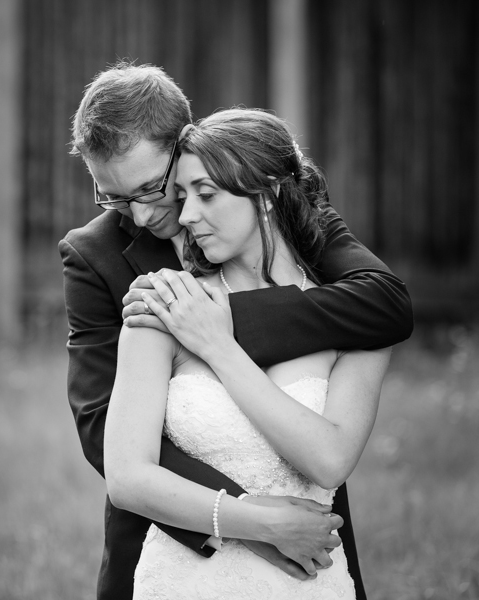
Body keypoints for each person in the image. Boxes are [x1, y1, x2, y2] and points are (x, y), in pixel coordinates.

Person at [59, 62, 412, 600]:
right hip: (179, 538)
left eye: (151, 189)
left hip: (308, 545)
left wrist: (215, 324)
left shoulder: (285, 210)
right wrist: (250, 522)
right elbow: (101, 426)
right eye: (112, 197)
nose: (137, 214)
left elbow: (385, 303)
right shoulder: (97, 257)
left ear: (186, 145)